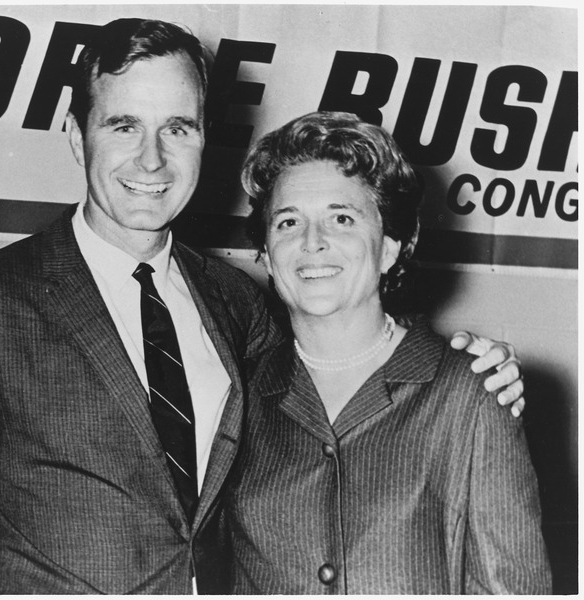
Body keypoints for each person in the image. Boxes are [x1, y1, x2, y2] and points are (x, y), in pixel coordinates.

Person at [0, 19, 524, 594]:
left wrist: (461, 364)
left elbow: (339, 377)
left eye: (177, 127)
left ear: (206, 137)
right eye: (123, 124)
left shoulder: (238, 303)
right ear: (76, 135)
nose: (151, 158)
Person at [225, 111, 551, 594]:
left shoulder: (468, 391)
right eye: (289, 221)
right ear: (269, 256)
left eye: (342, 218)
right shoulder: (239, 397)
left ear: (390, 249)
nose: (312, 243)